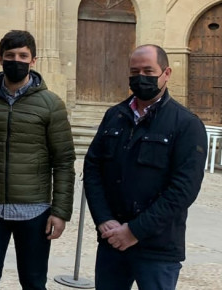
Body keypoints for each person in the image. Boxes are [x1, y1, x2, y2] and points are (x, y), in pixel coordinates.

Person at [83, 44, 207, 290]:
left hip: (158, 248)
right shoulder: (114, 116)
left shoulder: (186, 125)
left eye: (148, 71)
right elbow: (92, 168)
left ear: (167, 73)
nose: (141, 77)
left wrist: (135, 231)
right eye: (134, 71)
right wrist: (103, 219)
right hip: (112, 242)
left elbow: (183, 190)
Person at [0, 30, 76, 290]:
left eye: (23, 55)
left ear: (33, 60)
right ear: (0, 59)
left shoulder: (51, 104)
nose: (17, 60)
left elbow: (63, 162)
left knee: (34, 283)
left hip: (34, 211)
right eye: (10, 55)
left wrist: (60, 212)